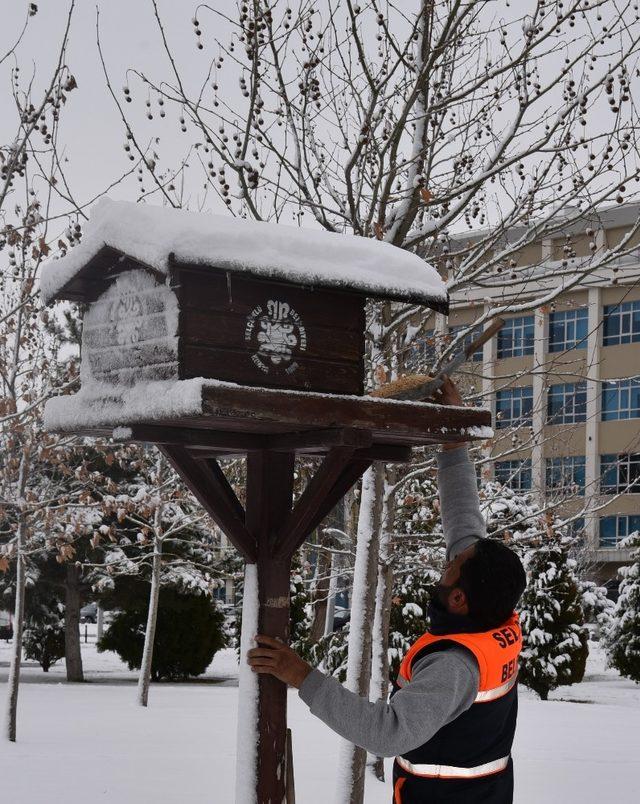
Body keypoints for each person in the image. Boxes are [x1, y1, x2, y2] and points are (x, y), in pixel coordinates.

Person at [247, 375, 527, 803]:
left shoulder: (455, 668)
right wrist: (454, 442)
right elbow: (465, 524)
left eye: (453, 566)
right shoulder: (495, 619)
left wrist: (300, 676)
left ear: (459, 598)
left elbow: (387, 733)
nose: (448, 559)